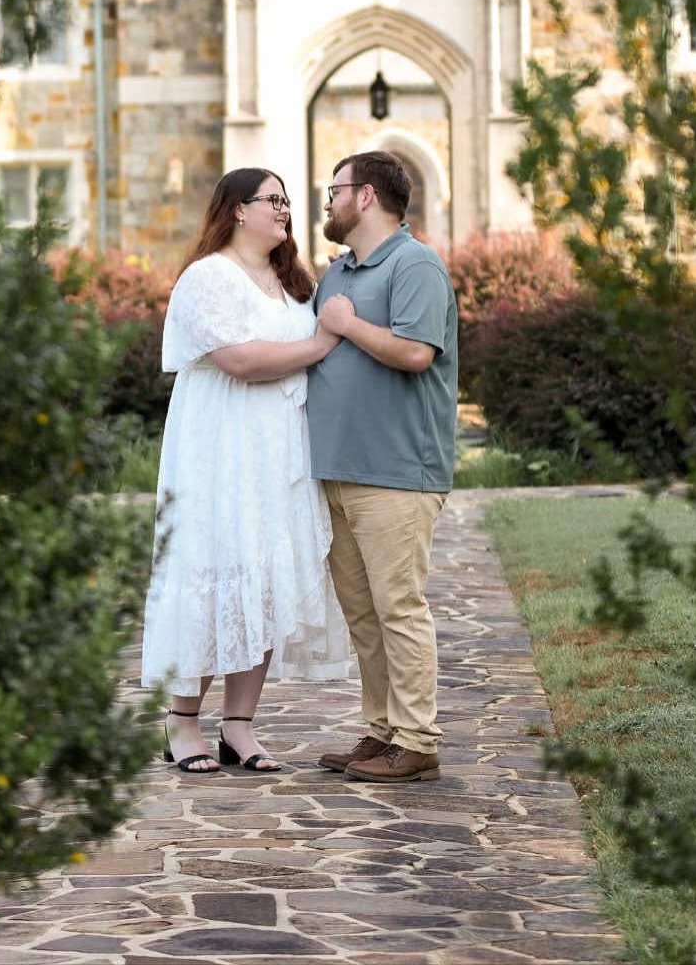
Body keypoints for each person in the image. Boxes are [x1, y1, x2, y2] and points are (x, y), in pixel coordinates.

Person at [141, 168, 349, 775]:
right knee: (211, 568)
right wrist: (322, 344)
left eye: (287, 201)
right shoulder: (208, 278)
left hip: (277, 449)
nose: (284, 210)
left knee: (262, 577)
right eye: (273, 200)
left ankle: (239, 724)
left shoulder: (295, 285)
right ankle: (182, 722)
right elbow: (239, 360)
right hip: (219, 447)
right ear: (236, 209)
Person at [306, 150, 459, 784]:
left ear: (365, 196)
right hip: (337, 471)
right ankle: (382, 731)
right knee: (362, 612)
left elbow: (417, 354)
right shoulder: (336, 272)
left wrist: (348, 324)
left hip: (396, 470)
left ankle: (418, 738)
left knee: (398, 606)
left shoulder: (415, 264)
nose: (327, 202)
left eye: (334, 190)